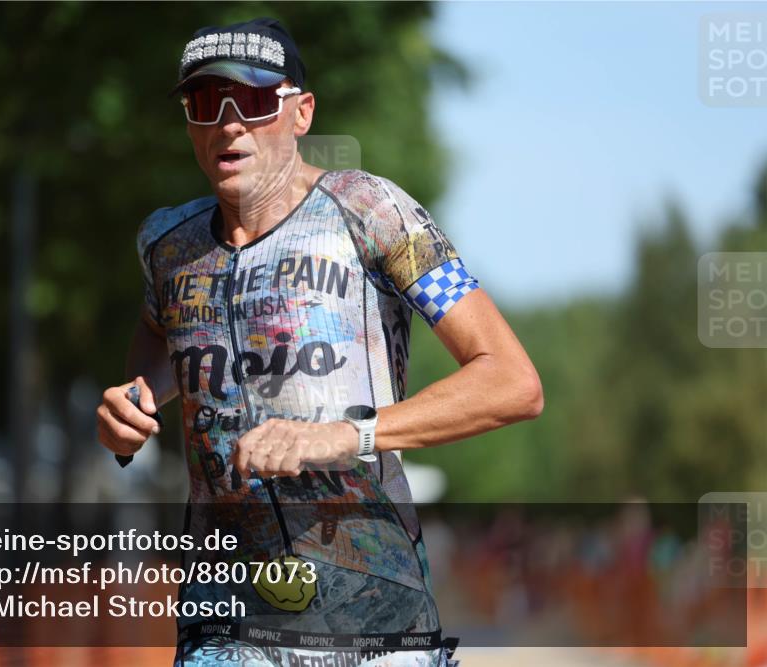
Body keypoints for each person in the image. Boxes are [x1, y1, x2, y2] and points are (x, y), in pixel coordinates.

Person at [97, 17, 543, 667]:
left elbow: (511, 381)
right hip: (226, 618)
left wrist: (344, 434)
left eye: (253, 100)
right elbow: (159, 329)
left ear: (302, 112)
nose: (228, 124)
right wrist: (133, 404)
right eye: (204, 102)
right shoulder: (167, 244)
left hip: (374, 614)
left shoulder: (374, 212)